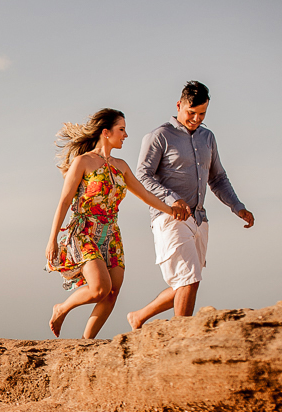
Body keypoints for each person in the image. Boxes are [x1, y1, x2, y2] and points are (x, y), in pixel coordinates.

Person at [46, 108, 187, 338]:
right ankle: (61, 308)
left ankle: (86, 342)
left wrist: (172, 210)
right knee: (99, 288)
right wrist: (52, 240)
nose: (125, 135)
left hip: (111, 233)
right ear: (105, 132)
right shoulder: (83, 162)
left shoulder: (121, 166)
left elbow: (145, 195)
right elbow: (64, 201)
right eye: (121, 130)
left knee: (112, 292)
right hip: (85, 231)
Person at [126, 81, 255, 329]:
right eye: (191, 113)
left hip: (198, 219)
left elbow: (217, 178)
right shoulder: (159, 136)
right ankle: (181, 339)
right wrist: (172, 198)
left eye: (202, 114)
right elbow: (142, 176)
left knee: (187, 283)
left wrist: (237, 206)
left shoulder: (208, 138)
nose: (196, 119)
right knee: (188, 279)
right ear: (179, 105)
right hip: (168, 217)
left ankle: (138, 316)